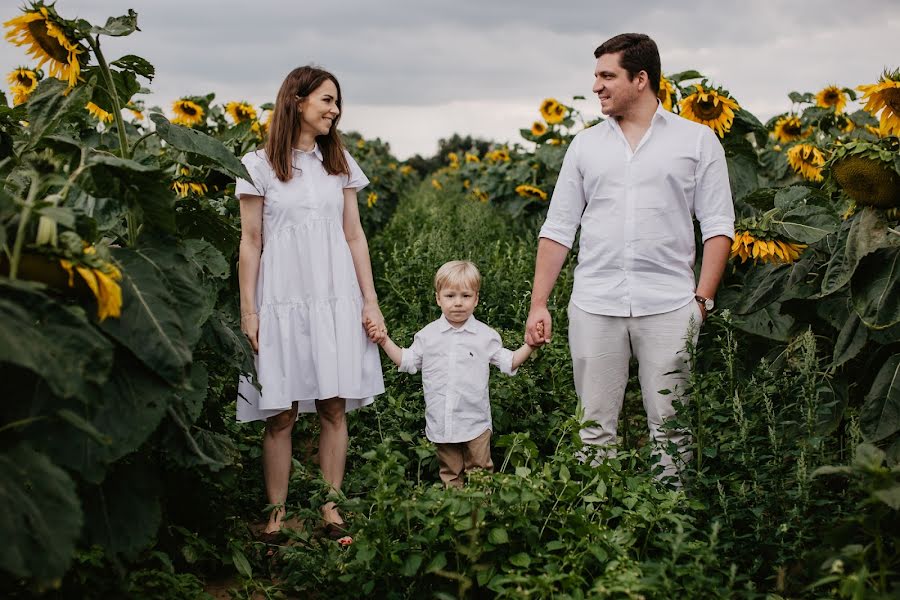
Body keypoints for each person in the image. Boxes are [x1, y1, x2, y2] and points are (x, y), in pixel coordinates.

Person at [525, 33, 735, 485]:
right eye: (596, 76)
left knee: (671, 427)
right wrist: (538, 302)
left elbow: (718, 227)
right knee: (594, 426)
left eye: (607, 76)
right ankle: (598, 523)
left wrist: (701, 301)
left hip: (670, 305)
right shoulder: (585, 146)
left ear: (641, 79)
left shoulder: (697, 142)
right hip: (595, 304)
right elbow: (558, 229)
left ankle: (669, 523)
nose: (597, 86)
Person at [235, 65, 386, 539]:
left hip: (334, 296)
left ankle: (330, 510)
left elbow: (354, 236)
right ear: (297, 101)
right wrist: (248, 311)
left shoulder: (337, 164)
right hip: (281, 299)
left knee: (333, 406)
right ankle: (276, 518)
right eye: (327, 100)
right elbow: (251, 241)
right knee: (280, 412)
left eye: (337, 102)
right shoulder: (257, 165)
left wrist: (370, 301)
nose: (335, 110)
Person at [371, 261, 537, 487]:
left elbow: (508, 362)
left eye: (466, 296)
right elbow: (406, 361)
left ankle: (479, 518)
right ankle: (455, 516)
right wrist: (383, 341)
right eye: (450, 296)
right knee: (450, 474)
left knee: (480, 475)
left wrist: (531, 346)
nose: (458, 303)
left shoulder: (484, 336)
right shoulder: (428, 336)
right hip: (442, 422)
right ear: (438, 298)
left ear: (476, 299)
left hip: (475, 422)